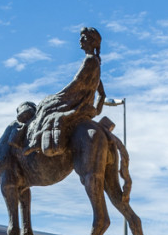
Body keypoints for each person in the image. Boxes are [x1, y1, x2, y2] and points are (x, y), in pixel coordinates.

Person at [24, 27, 106, 157]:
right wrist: (95, 110)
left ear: (92, 41)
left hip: (78, 103)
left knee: (46, 107)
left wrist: (57, 97)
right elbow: (102, 94)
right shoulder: (95, 61)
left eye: (84, 37)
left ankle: (35, 140)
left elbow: (76, 83)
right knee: (48, 104)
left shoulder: (89, 60)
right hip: (85, 104)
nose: (80, 40)